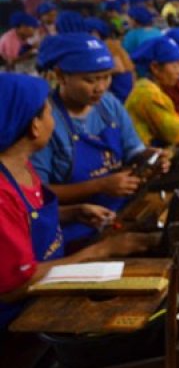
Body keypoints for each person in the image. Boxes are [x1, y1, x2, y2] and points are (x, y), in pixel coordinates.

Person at [0, 73, 157, 329]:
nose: (54, 119)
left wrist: (72, 212)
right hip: (18, 321)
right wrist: (101, 251)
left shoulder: (21, 167)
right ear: (35, 126)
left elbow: (27, 217)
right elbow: (15, 287)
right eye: (49, 112)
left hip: (46, 295)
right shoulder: (2, 195)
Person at [31, 34, 158, 245]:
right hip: (74, 228)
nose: (100, 87)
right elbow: (39, 194)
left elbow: (134, 151)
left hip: (120, 212)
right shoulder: (45, 121)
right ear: (61, 76)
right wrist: (99, 186)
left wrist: (151, 158)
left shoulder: (108, 105)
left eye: (106, 77)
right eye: (90, 80)